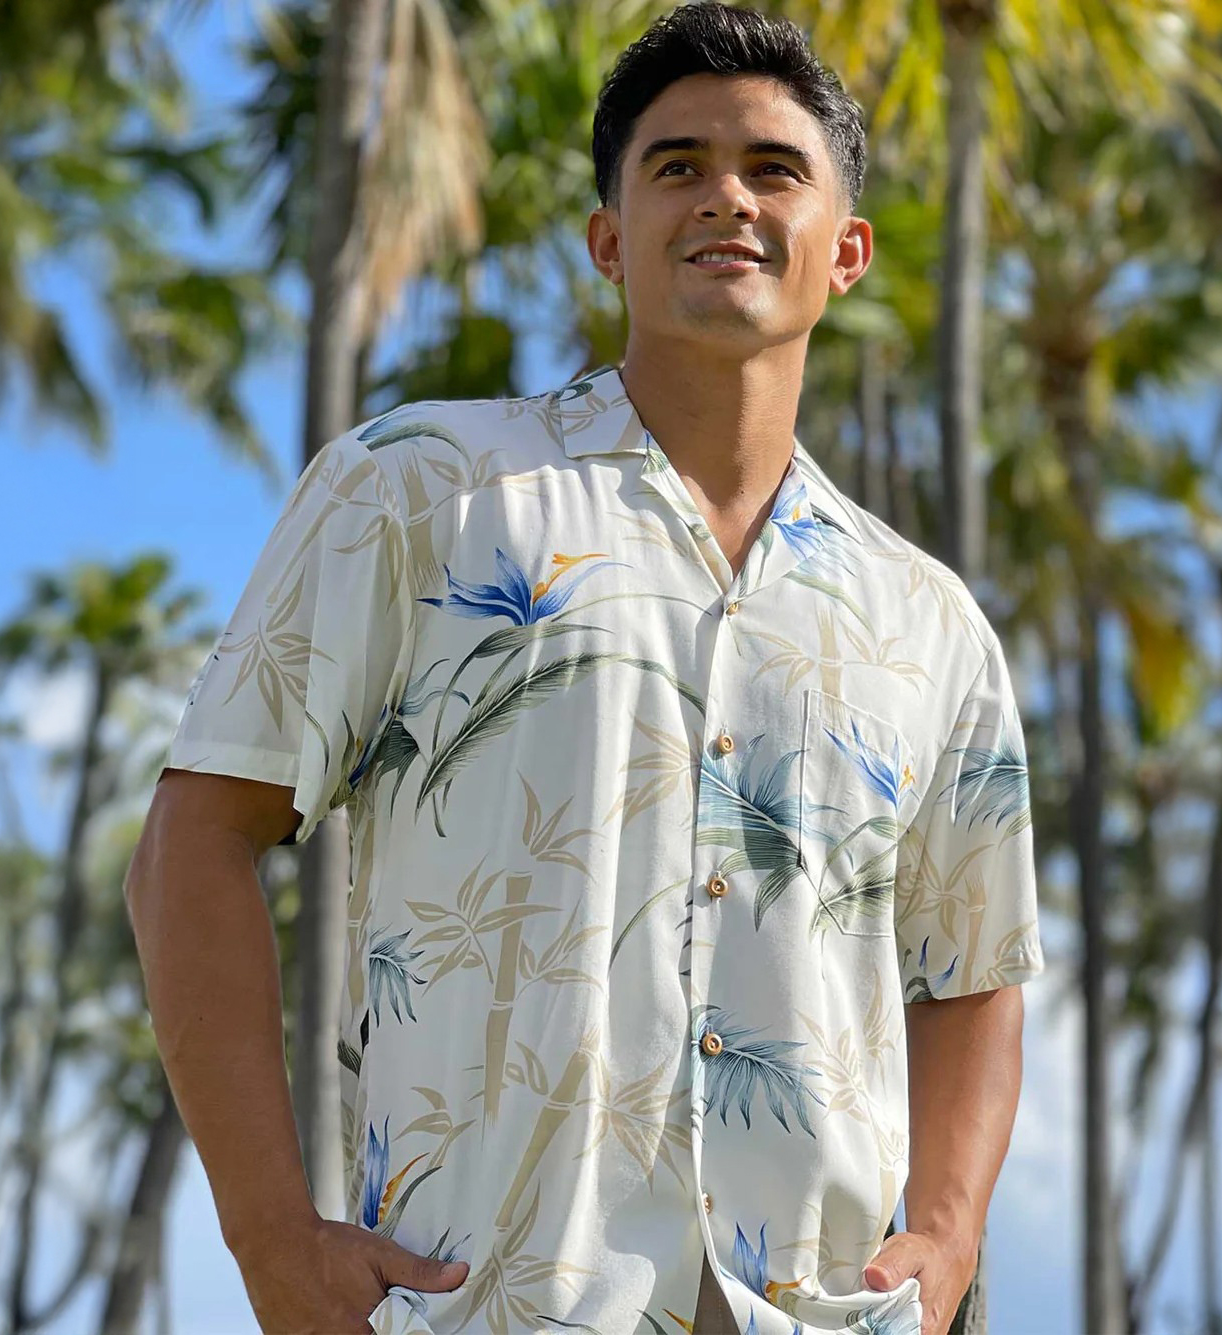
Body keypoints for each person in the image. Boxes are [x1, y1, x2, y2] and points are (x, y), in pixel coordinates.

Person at [126, 3, 1047, 1333]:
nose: (723, 196)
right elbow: (189, 846)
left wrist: (949, 1236)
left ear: (843, 254)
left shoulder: (931, 621)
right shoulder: (422, 490)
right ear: (610, 239)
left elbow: (978, 963)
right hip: (491, 1303)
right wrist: (273, 1240)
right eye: (676, 165)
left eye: (772, 169)